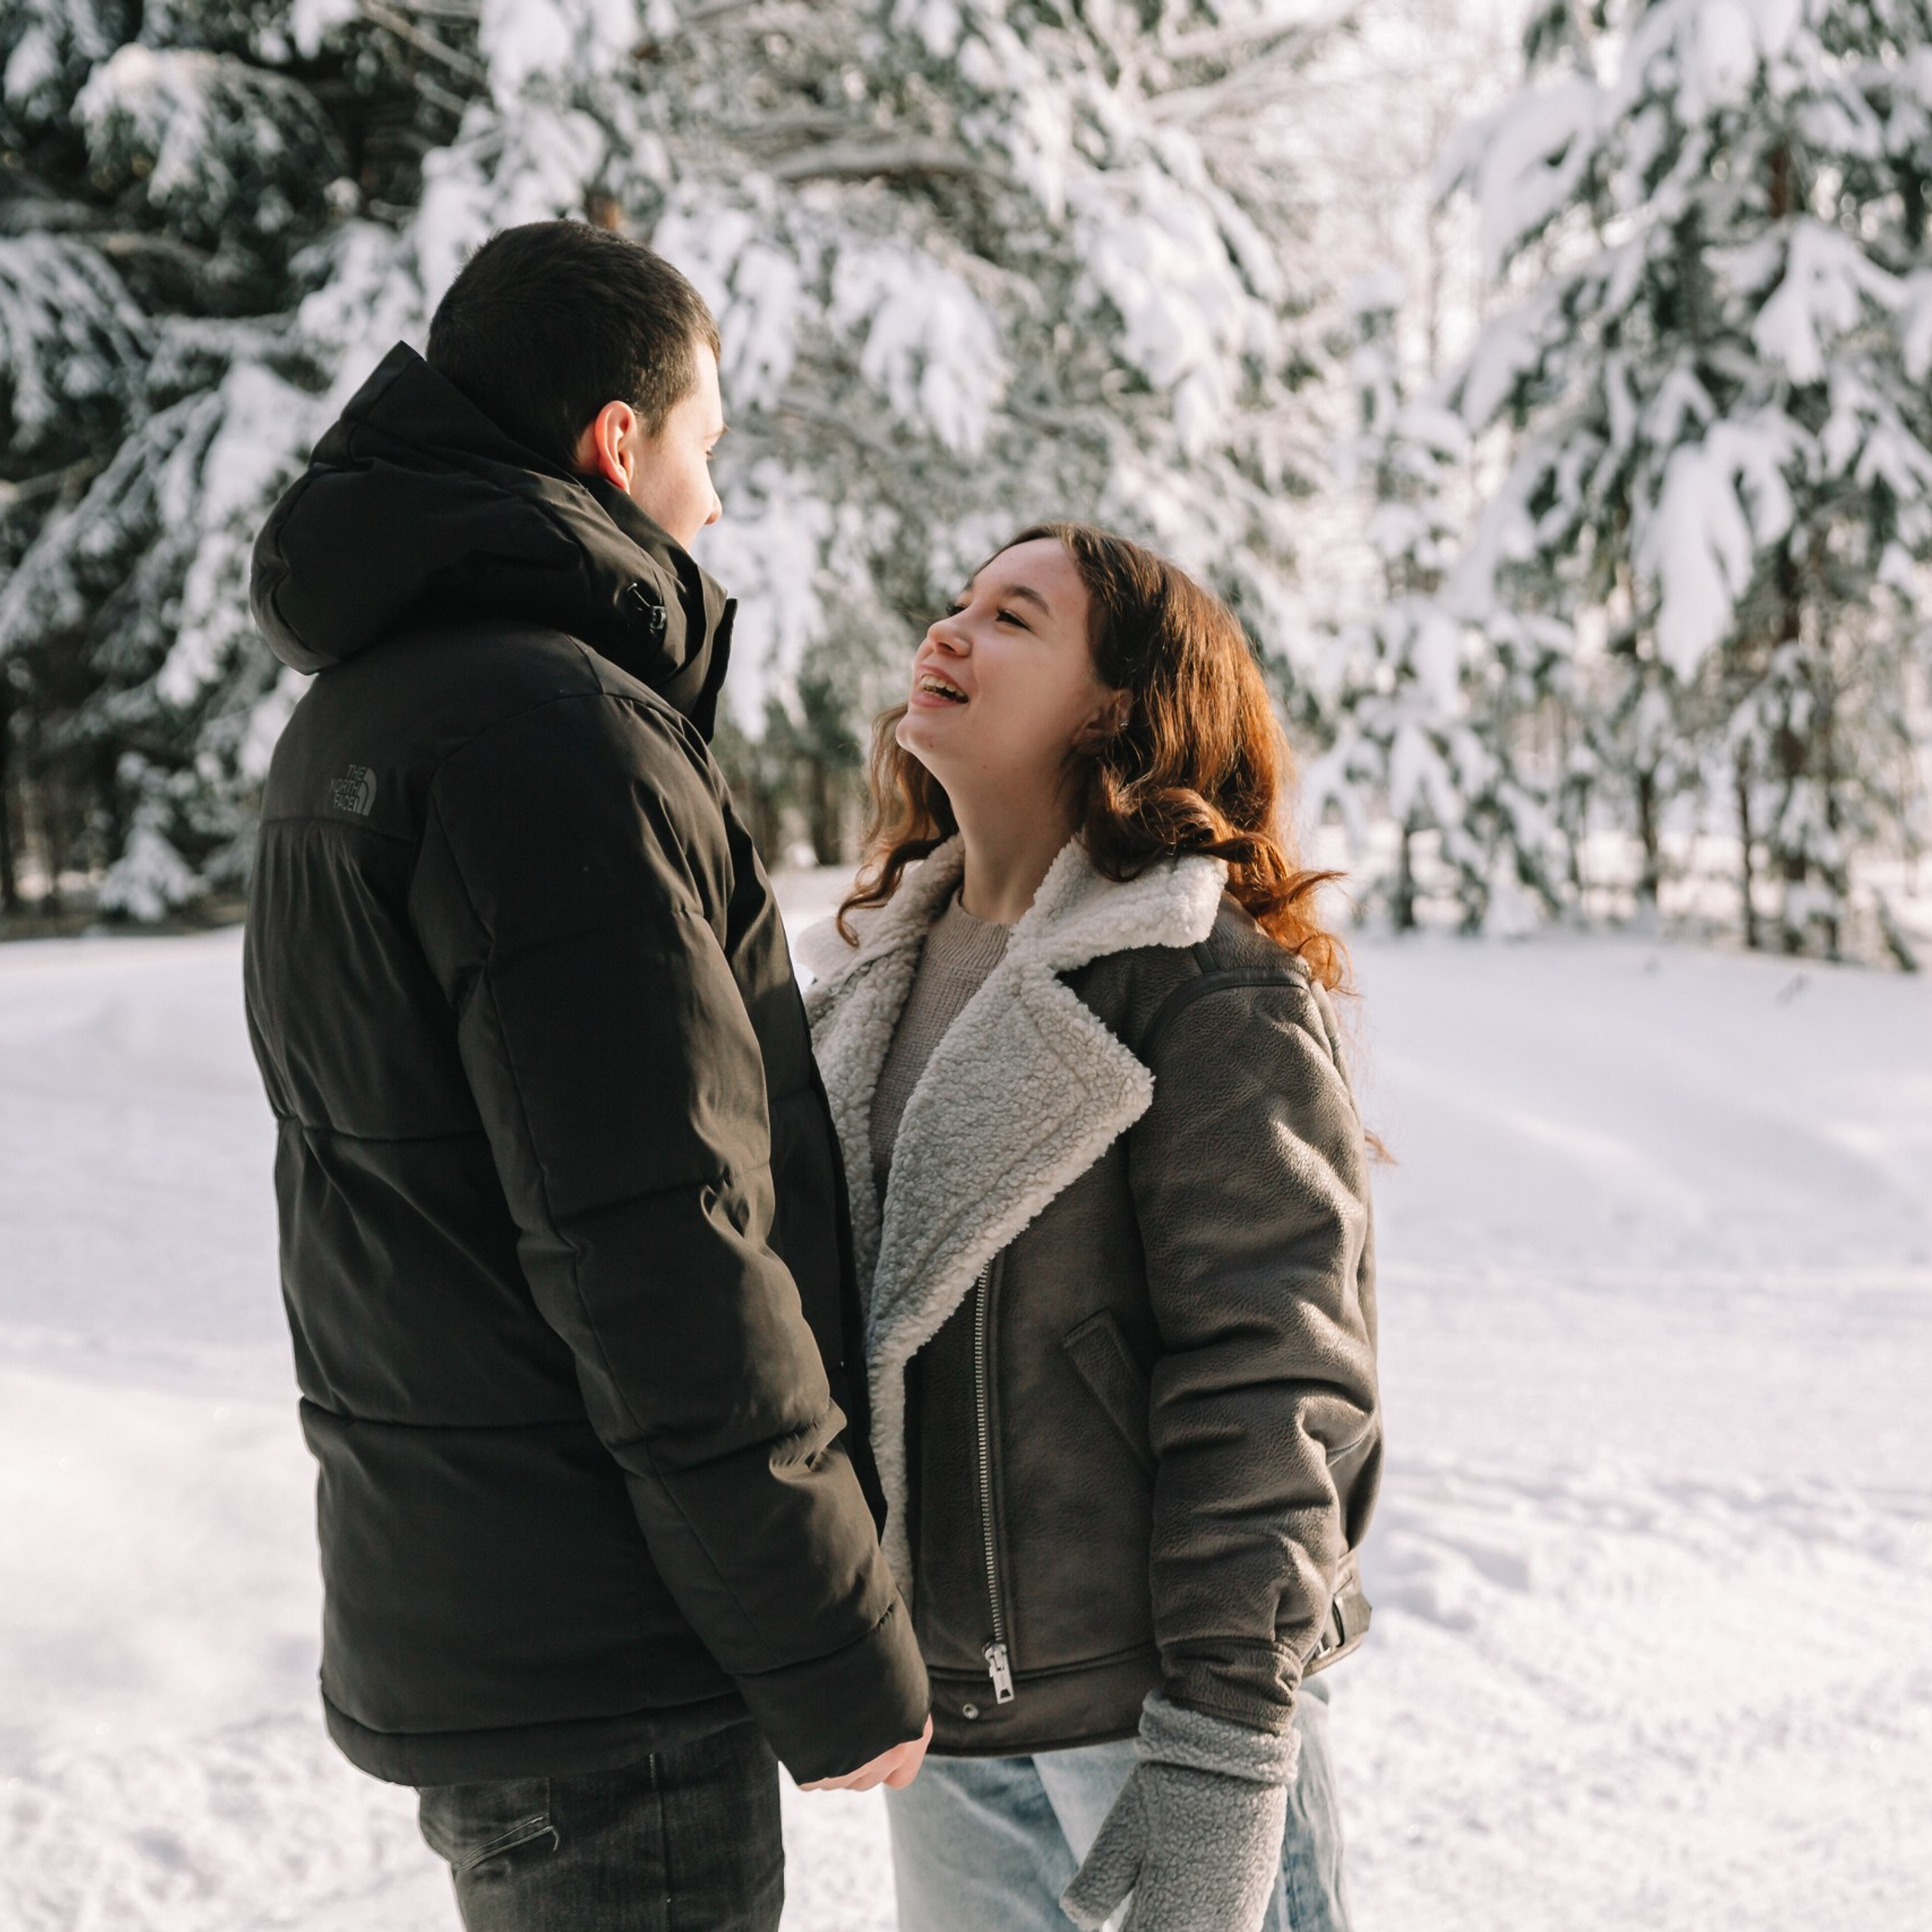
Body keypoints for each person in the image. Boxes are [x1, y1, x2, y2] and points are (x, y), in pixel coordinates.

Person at [242, 220, 931, 1932]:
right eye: (705, 444)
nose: (711, 500)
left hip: (495, 1610)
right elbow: (651, 1233)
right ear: (616, 445)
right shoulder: (554, 736)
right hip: (607, 1649)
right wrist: (830, 1639)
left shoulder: (369, 713)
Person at [795, 523, 1381, 1932]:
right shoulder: (864, 987)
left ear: (1117, 704)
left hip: (1160, 1713)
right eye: (954, 601)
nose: (949, 630)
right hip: (946, 1723)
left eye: (1011, 616)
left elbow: (1274, 1378)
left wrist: (1226, 1742)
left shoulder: (1197, 987)